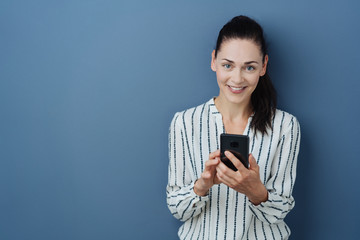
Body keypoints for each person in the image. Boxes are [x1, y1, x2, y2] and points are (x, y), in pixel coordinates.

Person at [166, 15, 300, 240]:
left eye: (249, 67)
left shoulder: (285, 126)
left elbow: (281, 210)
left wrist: (256, 191)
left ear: (263, 66)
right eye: (227, 65)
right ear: (213, 61)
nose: (237, 79)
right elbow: (178, 209)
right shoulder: (184, 122)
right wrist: (202, 186)